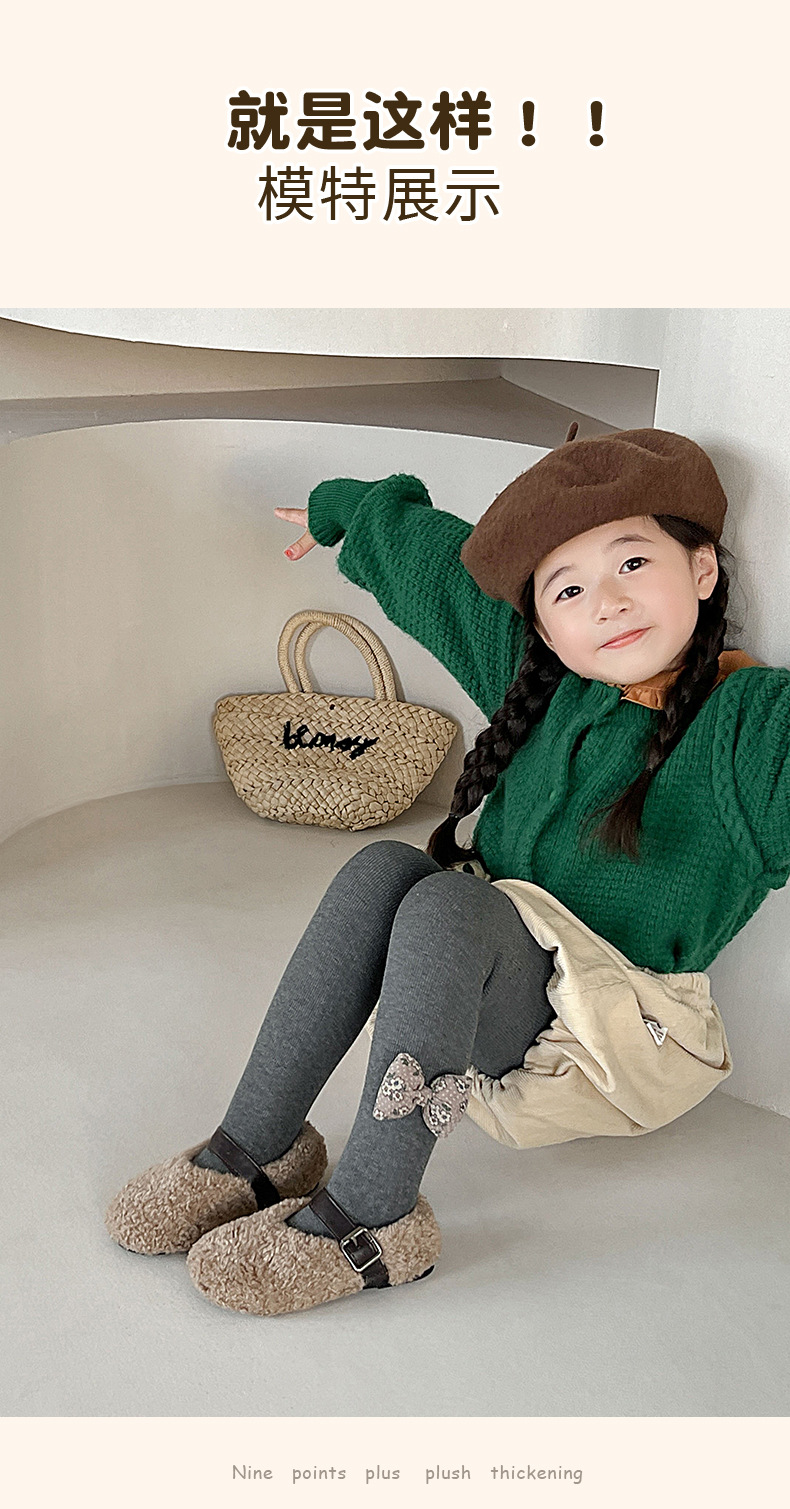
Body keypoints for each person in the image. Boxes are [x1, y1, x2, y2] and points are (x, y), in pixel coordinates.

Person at [105, 427, 789, 1318]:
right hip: (503, 979)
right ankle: (254, 1148)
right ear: (545, 625)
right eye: (570, 589)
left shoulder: (751, 726)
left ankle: (374, 1218)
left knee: (445, 906)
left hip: (618, 1038)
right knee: (385, 868)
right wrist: (355, 511)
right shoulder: (546, 679)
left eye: (633, 563)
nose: (608, 603)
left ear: (701, 569)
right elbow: (442, 575)